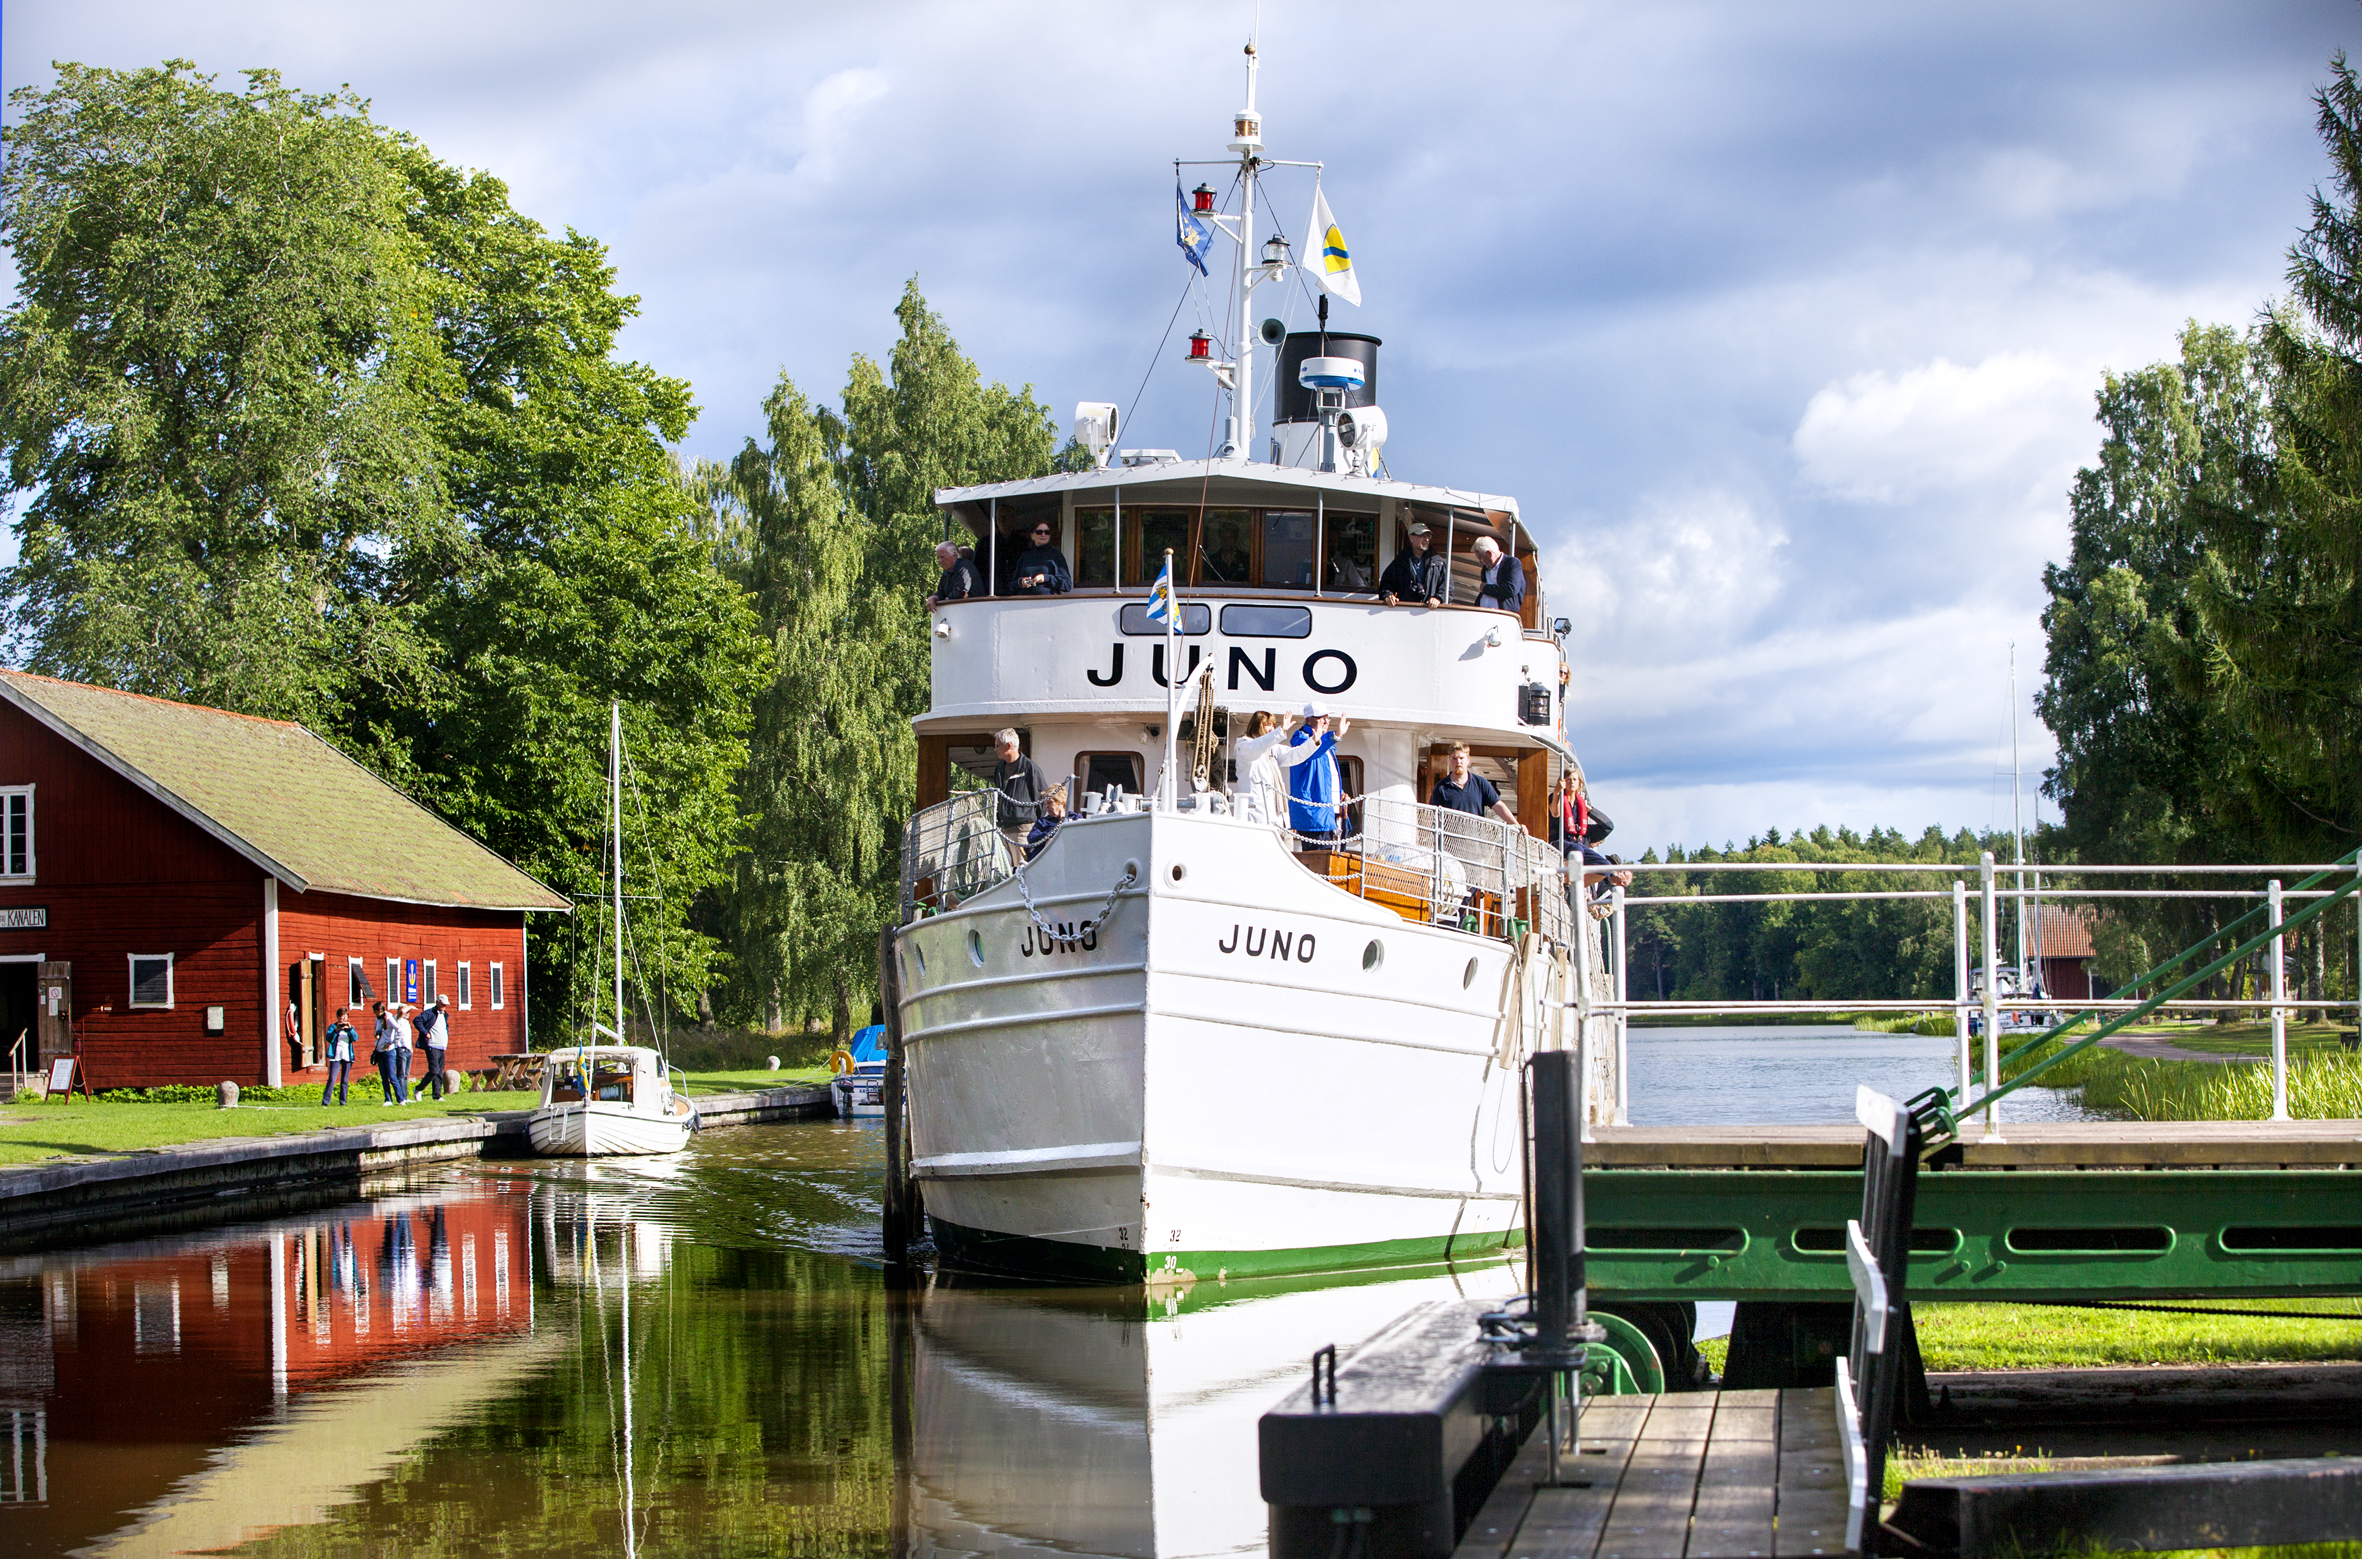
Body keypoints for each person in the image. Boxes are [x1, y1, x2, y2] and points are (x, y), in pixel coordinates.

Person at [1234, 710, 1315, 827]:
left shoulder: (1272, 749)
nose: (1271, 728)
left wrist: (1314, 741)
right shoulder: (1244, 746)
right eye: (1268, 725)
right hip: (1258, 818)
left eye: (1273, 725)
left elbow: (1294, 755)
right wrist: (1280, 731)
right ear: (1257, 726)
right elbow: (1257, 746)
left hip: (1278, 817)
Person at [1286, 702, 1351, 847]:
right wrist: (1336, 736)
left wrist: (1340, 794)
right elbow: (1312, 751)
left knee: (1332, 859)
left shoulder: (1326, 745)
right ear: (1309, 720)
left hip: (1329, 814)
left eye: (1328, 718)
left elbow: (1326, 776)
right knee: (1318, 859)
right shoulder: (1301, 741)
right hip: (1314, 816)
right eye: (1321, 718)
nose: (1326, 722)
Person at [1429, 742, 1519, 827]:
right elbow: (1432, 816)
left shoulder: (1480, 783)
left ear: (1468, 760)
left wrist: (1516, 825)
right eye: (1454, 758)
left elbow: (1498, 805)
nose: (1458, 762)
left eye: (1461, 758)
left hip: (1475, 840)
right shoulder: (1441, 788)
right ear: (1450, 760)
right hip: (1450, 841)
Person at [992, 728, 1049, 860]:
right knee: (1006, 872)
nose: (995, 749)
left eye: (997, 746)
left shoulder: (1030, 768)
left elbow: (1041, 798)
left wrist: (1029, 821)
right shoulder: (999, 768)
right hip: (1004, 830)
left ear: (1008, 746)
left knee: (1022, 871)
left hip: (1023, 831)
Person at [1378, 521, 1447, 605]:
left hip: (1430, 614)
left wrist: (1438, 598)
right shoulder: (1400, 562)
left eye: (1428, 536)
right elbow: (1386, 584)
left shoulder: (1439, 563)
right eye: (1422, 536)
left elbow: (1448, 589)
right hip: (1405, 613)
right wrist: (1388, 595)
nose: (1427, 539)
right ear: (1411, 538)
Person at [1008, 521, 1071, 595]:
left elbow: (1067, 585)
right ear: (1032, 536)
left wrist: (1046, 578)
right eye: (1039, 532)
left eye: (1047, 532)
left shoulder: (1056, 556)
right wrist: (1021, 582)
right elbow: (1011, 585)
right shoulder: (1025, 556)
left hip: (1048, 603)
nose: (1043, 534)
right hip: (1025, 603)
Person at [1472, 537, 1525, 616]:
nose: (1480, 562)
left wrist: (1486, 588)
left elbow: (1511, 589)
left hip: (1502, 618)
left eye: (1480, 558)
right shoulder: (1485, 569)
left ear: (1489, 554)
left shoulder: (1512, 563)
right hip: (1482, 616)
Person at [927, 541, 985, 607]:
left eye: (942, 557)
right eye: (938, 557)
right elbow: (941, 591)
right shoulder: (947, 571)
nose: (939, 561)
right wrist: (934, 598)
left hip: (974, 609)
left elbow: (961, 592)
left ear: (954, 555)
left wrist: (947, 600)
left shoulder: (965, 567)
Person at [416, 994, 452, 1100]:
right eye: (443, 1004)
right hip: (432, 1045)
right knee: (434, 1070)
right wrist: (425, 1033)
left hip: (442, 1046)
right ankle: (419, 1089)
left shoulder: (444, 1015)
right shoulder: (430, 1013)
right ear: (438, 1002)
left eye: (445, 1005)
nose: (444, 1006)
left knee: (439, 1072)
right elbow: (417, 1020)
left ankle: (437, 1095)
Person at [321, 1006, 358, 1106]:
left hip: (347, 1055)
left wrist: (350, 1029)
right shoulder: (332, 1027)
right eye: (341, 1017)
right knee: (332, 1078)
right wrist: (336, 1030)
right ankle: (326, 1101)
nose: (343, 1019)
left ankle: (343, 1102)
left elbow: (355, 1038)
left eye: (345, 1016)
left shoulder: (350, 1027)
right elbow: (329, 1038)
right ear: (337, 1017)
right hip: (336, 1055)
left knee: (345, 1080)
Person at [1025, 785, 1067, 860]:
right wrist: (1051, 834)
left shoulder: (1075, 818)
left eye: (1050, 802)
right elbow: (1031, 838)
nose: (1046, 806)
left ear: (1061, 802)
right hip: (1044, 860)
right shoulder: (1043, 822)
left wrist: (1064, 821)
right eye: (1045, 803)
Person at [389, 1001, 415, 1105]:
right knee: (401, 1074)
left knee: (405, 1075)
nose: (408, 1013)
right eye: (406, 1011)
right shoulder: (398, 1020)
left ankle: (405, 1096)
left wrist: (411, 1048)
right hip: (401, 1049)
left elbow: (408, 1037)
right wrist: (410, 1006)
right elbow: (400, 1012)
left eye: (409, 1012)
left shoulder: (407, 1022)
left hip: (408, 1049)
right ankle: (401, 1097)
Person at [371, 1001, 397, 1105]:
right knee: (384, 1077)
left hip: (389, 1051)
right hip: (379, 1050)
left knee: (391, 1075)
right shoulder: (378, 1020)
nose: (374, 1013)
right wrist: (376, 1036)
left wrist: (392, 1042)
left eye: (375, 1011)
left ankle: (400, 1099)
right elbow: (377, 1031)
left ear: (380, 1011)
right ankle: (388, 1099)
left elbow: (399, 1030)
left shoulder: (390, 1019)